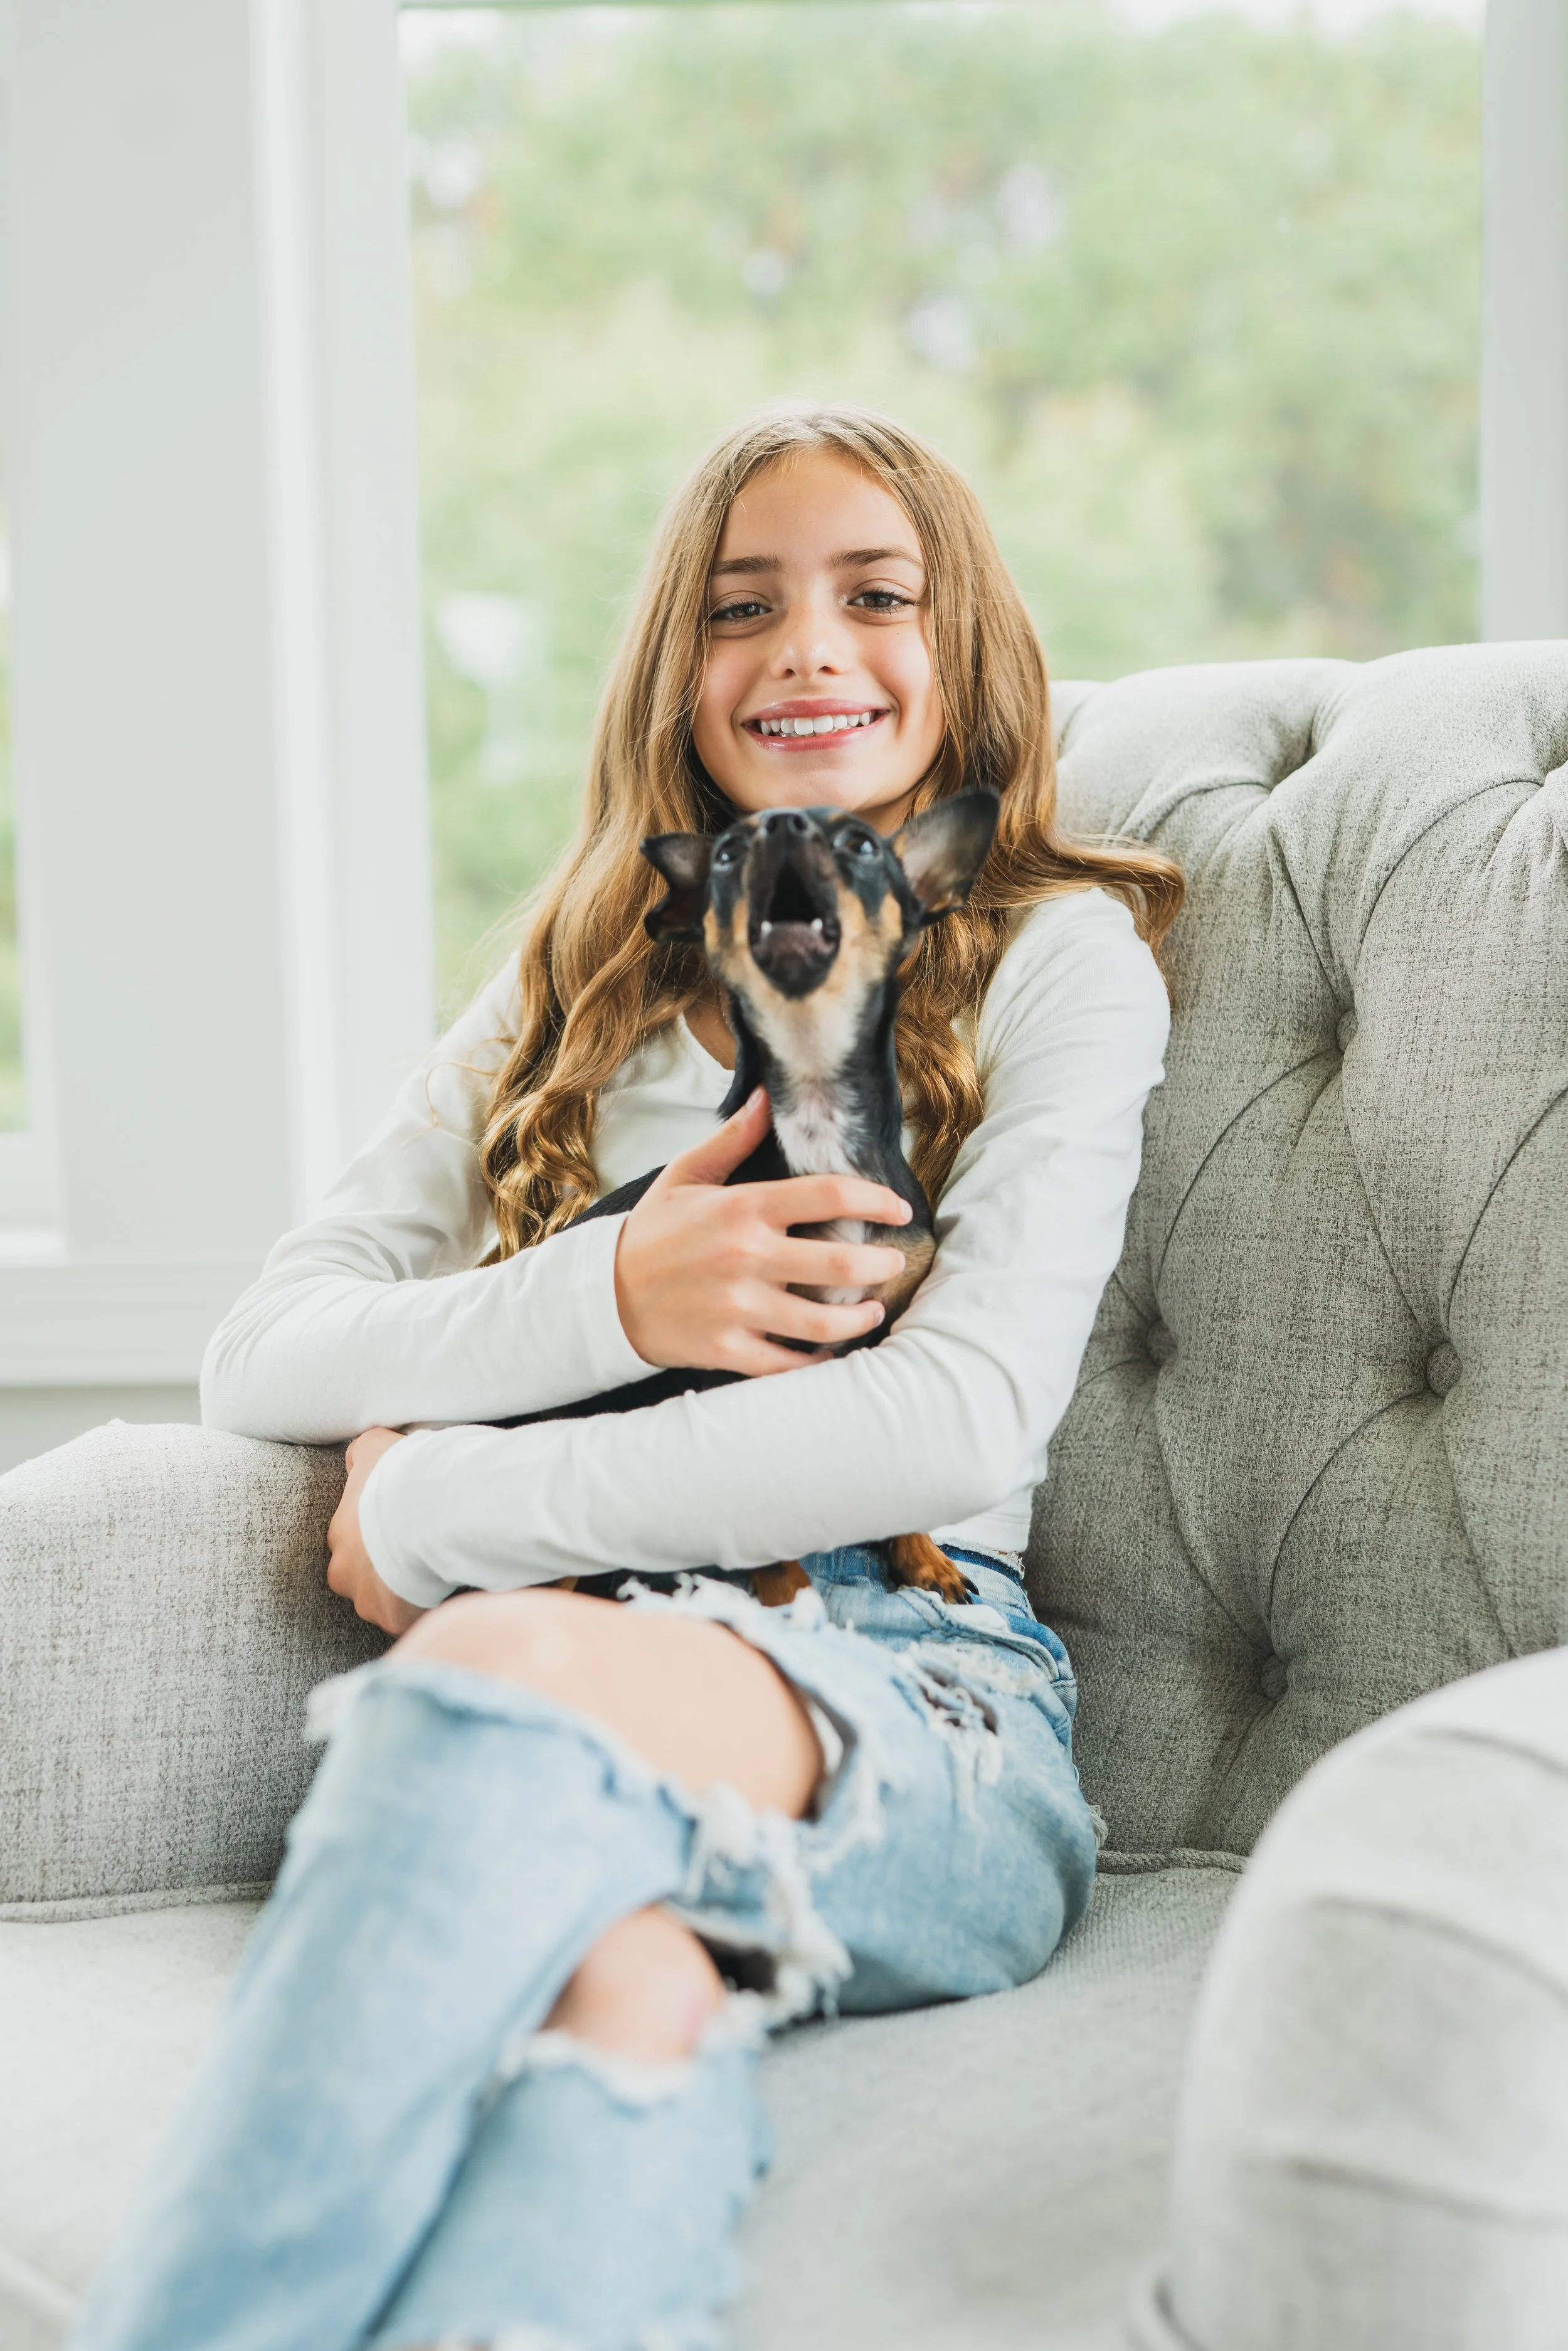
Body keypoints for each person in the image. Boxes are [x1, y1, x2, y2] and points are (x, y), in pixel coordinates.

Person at [69, 405, 1181, 2351]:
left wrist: (429, 1502)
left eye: (874, 594)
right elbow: (266, 1341)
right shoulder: (572, 970)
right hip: (618, 1677)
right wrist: (613, 1294)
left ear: (967, 646)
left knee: (472, 1663)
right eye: (740, 606)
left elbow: (959, 1418)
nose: (808, 648)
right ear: (673, 667)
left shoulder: (1053, 958)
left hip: (917, 1690)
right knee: (628, 1986)